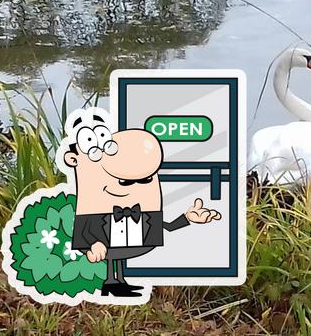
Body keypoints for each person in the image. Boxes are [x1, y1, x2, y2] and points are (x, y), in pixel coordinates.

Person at [63, 109, 221, 298]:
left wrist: (187, 218)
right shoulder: (92, 213)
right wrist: (93, 245)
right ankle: (110, 283)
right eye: (125, 181)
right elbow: (84, 232)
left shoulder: (144, 214)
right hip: (103, 244)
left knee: (119, 257)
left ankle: (118, 282)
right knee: (113, 255)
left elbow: (167, 227)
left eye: (145, 180)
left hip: (128, 240)